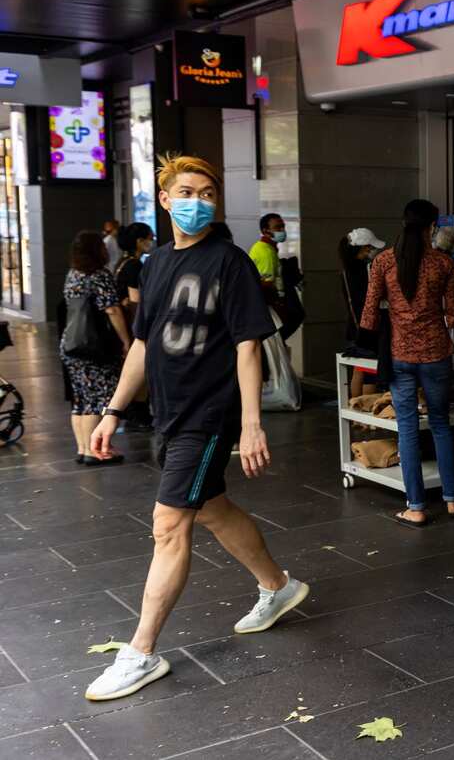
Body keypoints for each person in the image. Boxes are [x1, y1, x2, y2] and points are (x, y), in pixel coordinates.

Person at [84, 154, 309, 702]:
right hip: (169, 411)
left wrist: (252, 424)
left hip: (210, 414)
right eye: (187, 191)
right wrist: (112, 411)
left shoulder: (230, 263)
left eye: (208, 192)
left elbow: (249, 343)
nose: (199, 201)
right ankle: (279, 587)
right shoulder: (155, 264)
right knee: (209, 508)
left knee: (169, 523)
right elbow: (141, 344)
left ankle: (141, 653)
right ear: (165, 199)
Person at [361, 200, 454, 526]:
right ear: (431, 226)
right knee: (440, 424)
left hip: (400, 356)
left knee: (407, 429)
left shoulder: (383, 262)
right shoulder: (443, 263)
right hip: (436, 355)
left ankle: (416, 506)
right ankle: (452, 500)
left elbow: (368, 314)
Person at [61, 231, 131, 466]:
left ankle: (83, 448)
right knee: (98, 397)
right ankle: (96, 450)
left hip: (71, 343)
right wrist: (125, 340)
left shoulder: (73, 274)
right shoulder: (99, 275)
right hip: (95, 345)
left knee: (80, 399)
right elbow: (111, 310)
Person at [339, 228, 386, 398]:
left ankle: (357, 414)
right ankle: (367, 417)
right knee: (369, 374)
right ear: (362, 248)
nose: (373, 251)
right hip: (368, 328)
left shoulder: (346, 270)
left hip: (355, 328)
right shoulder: (363, 271)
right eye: (370, 248)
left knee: (359, 370)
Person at [114, 222, 155, 317]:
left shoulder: (123, 260)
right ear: (139, 241)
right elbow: (135, 302)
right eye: (151, 238)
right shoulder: (134, 265)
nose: (153, 242)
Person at [250, 212, 286, 306]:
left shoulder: (262, 247)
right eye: (277, 227)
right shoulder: (266, 252)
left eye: (283, 226)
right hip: (267, 305)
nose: (282, 230)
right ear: (265, 231)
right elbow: (266, 285)